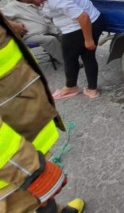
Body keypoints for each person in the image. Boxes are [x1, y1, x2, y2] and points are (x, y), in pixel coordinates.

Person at [0, 11, 85, 213]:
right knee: (23, 203)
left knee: (40, 199)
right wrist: (27, 168)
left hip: (22, 135)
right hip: (11, 165)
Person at [8, 0, 105, 99]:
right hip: (85, 21)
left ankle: (77, 88)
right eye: (31, 2)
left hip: (82, 25)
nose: (37, 2)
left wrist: (88, 39)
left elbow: (83, 17)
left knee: (74, 57)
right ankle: (86, 88)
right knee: (79, 57)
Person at [1, 0, 64, 64]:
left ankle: (67, 56)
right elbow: (2, 19)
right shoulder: (13, 6)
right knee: (50, 39)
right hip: (28, 35)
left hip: (47, 31)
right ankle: (67, 62)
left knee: (64, 32)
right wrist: (14, 25)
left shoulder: (36, 4)